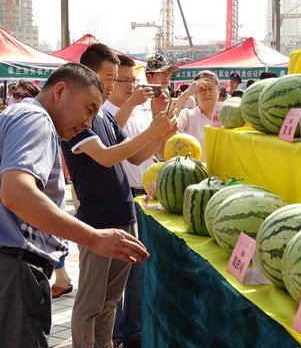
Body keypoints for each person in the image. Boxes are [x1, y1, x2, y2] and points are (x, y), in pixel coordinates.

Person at [0, 62, 149, 348]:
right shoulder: (36, 118)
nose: (89, 122)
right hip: (14, 267)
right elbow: (16, 193)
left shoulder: (20, 115)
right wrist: (93, 237)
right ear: (60, 91)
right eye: (89, 108)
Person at [62, 44, 177, 348]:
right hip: (97, 224)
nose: (112, 85)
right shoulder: (78, 120)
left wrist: (161, 135)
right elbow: (107, 157)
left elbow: (136, 157)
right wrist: (152, 132)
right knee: (90, 304)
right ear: (87, 74)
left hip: (125, 215)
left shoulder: (106, 118)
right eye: (110, 78)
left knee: (111, 301)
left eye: (118, 79)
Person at [102, 54, 154, 348]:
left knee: (136, 268)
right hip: (118, 197)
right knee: (114, 274)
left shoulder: (140, 110)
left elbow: (139, 154)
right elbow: (113, 147)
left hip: (142, 195)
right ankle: (116, 332)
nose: (129, 87)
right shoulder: (104, 111)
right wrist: (133, 102)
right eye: (122, 81)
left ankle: (132, 329)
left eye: (133, 81)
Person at [174, 70, 220, 159]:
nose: (207, 94)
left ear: (218, 90)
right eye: (201, 89)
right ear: (195, 93)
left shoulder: (228, 114)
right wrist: (187, 92)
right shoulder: (188, 115)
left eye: (210, 89)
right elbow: (171, 121)